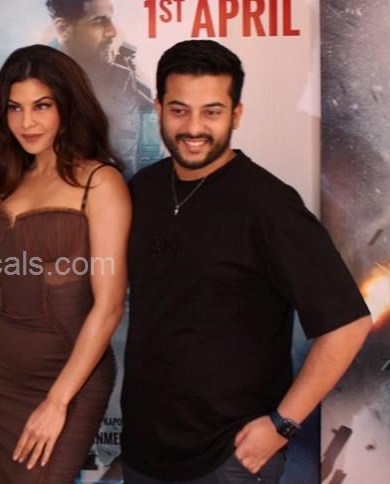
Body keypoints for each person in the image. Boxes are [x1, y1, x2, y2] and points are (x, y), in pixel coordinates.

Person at [121, 39, 372, 483]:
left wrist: (282, 425)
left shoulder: (268, 204)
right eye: (179, 110)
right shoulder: (142, 189)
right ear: (158, 109)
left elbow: (348, 324)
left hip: (229, 460)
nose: (193, 127)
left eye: (212, 112)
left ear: (236, 114)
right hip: (144, 453)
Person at [0, 44, 130, 483]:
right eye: (15, 108)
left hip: (68, 374)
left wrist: (58, 400)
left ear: (67, 105)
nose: (27, 122)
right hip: (1, 369)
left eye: (41, 106)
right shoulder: (6, 180)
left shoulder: (100, 181)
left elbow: (109, 307)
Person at [46, 0, 157, 178]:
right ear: (63, 29)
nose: (112, 32)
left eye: (111, 19)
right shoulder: (37, 81)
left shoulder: (133, 85)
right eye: (98, 22)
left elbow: (150, 159)